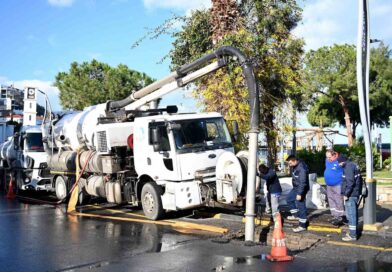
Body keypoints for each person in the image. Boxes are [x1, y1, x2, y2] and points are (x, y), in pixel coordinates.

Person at [337, 155, 362, 241]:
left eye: (339, 163)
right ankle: (353, 231)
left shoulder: (348, 167)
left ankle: (353, 235)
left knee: (351, 215)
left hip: (351, 194)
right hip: (354, 193)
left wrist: (346, 194)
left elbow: (350, 182)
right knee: (353, 214)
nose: (339, 164)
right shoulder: (352, 165)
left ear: (342, 161)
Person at [286, 154, 310, 233]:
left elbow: (303, 182)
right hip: (296, 188)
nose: (289, 165)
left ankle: (302, 225)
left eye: (290, 163)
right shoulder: (295, 166)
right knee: (289, 199)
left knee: (301, 205)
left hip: (301, 189)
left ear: (294, 161)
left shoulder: (301, 169)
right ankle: (296, 216)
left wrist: (300, 194)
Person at [324, 149, 346, 226]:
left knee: (338, 200)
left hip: (338, 184)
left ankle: (340, 216)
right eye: (327, 157)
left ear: (335, 155)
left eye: (330, 157)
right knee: (331, 200)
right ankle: (334, 215)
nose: (328, 159)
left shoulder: (340, 161)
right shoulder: (327, 160)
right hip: (329, 185)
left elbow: (346, 166)